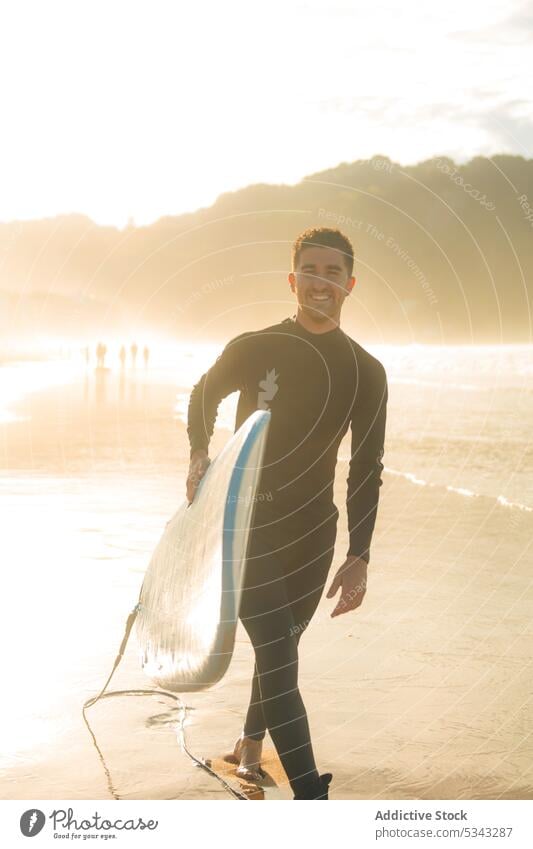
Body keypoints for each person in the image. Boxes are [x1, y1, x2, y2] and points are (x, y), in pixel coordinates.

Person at [186, 227, 388, 800]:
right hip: (243, 522)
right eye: (310, 270)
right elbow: (204, 394)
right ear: (292, 279)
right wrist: (199, 450)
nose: (319, 282)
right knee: (276, 650)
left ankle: (252, 744)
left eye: (332, 272)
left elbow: (367, 464)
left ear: (349, 284)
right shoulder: (255, 346)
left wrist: (359, 553)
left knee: (283, 647)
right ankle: (310, 797)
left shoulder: (366, 372)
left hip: (312, 534)